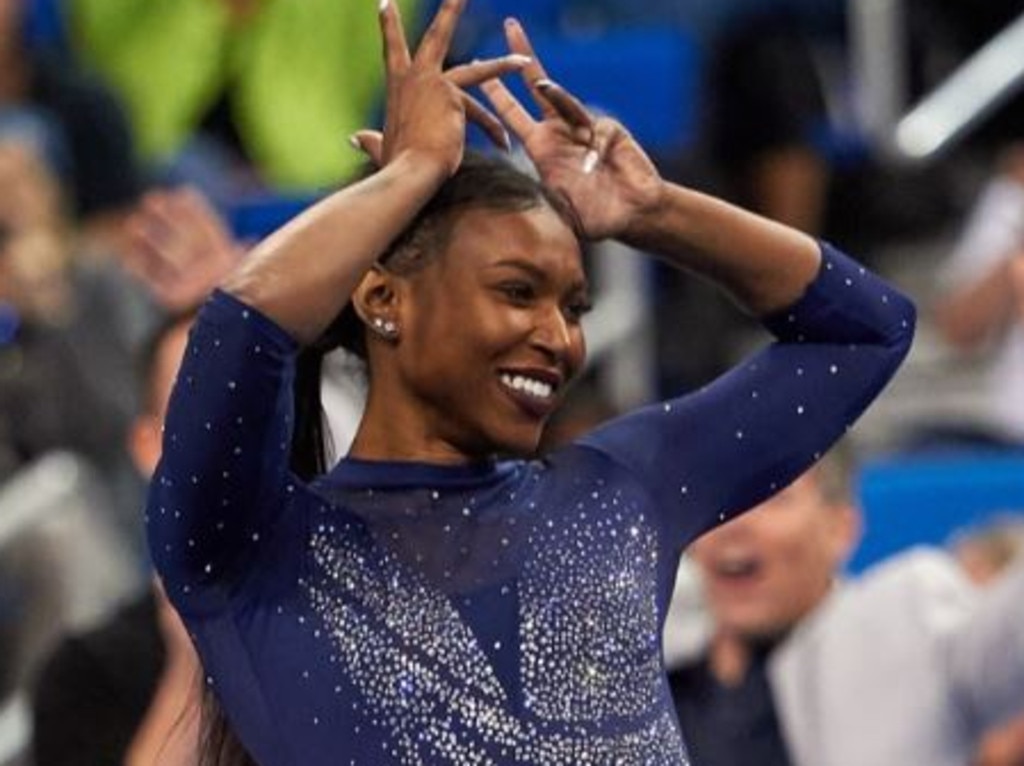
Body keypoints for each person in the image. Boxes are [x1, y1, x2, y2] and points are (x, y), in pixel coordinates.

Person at [145, 1, 915, 763]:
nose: (559, 337)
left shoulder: (622, 491)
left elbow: (867, 331)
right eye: (517, 292)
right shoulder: (254, 545)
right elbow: (241, 324)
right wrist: (410, 176)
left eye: (574, 305)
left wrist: (655, 213)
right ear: (383, 299)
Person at [668, 451, 1024, 766]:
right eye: (716, 503)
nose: (734, 524)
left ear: (840, 527)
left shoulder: (907, 628)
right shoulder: (642, 664)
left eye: (770, 498)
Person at [31, 315, 202, 766]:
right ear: (149, 447)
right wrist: (192, 673)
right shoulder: (87, 675)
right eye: (200, 415)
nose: (233, 443)